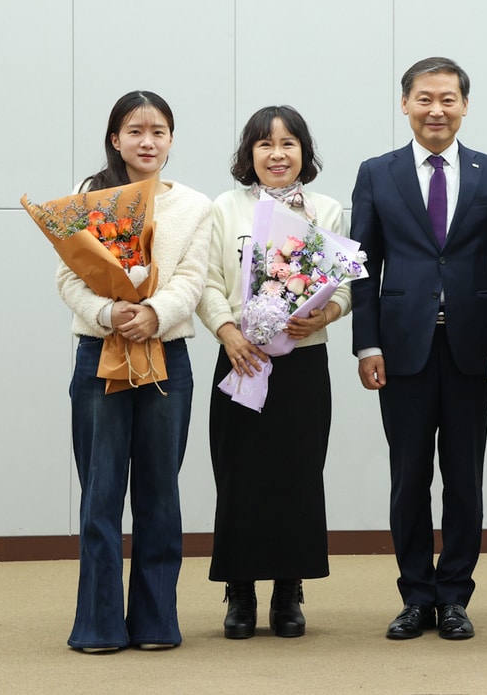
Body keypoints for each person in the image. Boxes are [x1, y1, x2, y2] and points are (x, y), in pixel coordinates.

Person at [350, 56, 487, 641]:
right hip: (400, 349)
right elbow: (362, 268)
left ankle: (454, 596)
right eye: (425, 98)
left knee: (464, 478)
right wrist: (365, 345)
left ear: (465, 106)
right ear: (405, 104)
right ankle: (413, 596)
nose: (436, 110)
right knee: (407, 478)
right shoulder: (377, 173)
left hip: (472, 349)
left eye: (448, 99)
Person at [59, 90, 213, 653]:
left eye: (159, 132)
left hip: (166, 358)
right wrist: (108, 312)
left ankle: (154, 621)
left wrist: (153, 313)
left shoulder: (195, 205)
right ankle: (97, 624)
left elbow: (193, 279)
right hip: (99, 356)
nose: (147, 141)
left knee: (159, 493)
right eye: (135, 130)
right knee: (100, 492)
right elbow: (69, 279)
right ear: (116, 138)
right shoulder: (88, 197)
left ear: (171, 140)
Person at [196, 105, 348, 640]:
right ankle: (239, 592)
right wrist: (229, 333)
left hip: (304, 361)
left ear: (304, 152)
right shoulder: (223, 208)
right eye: (265, 144)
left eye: (288, 144)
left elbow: (345, 282)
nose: (277, 154)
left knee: (298, 474)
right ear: (249, 154)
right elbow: (208, 281)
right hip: (241, 357)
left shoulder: (327, 210)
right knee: (238, 474)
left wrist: (325, 313)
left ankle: (289, 591)